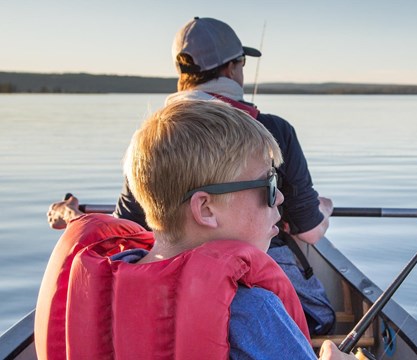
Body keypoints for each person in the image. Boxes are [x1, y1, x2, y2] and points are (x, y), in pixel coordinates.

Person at [47, 16, 336, 335]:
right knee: (320, 315)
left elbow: (129, 226)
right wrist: (322, 210)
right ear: (232, 68)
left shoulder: (149, 140)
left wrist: (74, 217)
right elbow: (309, 232)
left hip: (169, 292)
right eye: (241, 63)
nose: (277, 197)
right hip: (265, 282)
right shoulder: (275, 130)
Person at [36, 100, 355, 360]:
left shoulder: (95, 288)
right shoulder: (252, 312)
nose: (281, 197)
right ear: (205, 209)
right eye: (270, 185)